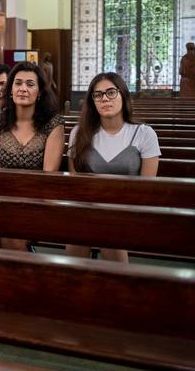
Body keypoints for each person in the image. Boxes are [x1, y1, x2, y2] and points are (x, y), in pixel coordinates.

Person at [66, 72, 160, 262]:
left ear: (123, 95)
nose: (104, 99)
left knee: (107, 231)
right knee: (79, 233)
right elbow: (75, 182)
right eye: (98, 95)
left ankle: (117, 280)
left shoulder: (144, 133)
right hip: (88, 209)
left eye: (111, 92)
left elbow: (147, 188)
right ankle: (74, 279)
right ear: (92, 101)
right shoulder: (79, 133)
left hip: (128, 210)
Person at [0, 61, 64, 251]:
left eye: (30, 84)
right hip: (1, 199)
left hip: (37, 201)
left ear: (40, 91)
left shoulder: (53, 124)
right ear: (10, 89)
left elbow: (48, 178)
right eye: (18, 83)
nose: (23, 89)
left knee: (12, 236)